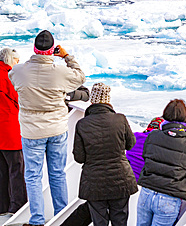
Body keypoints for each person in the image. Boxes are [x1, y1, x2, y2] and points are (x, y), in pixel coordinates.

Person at [8, 30, 86, 226]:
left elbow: (13, 76)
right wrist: (67, 56)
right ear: (53, 51)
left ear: (34, 49)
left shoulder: (18, 71)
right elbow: (80, 77)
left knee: (33, 176)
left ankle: (36, 220)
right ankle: (61, 216)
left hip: (31, 132)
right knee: (57, 173)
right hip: (56, 129)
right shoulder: (60, 73)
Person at [137, 99, 186, 226]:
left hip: (147, 193)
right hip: (168, 198)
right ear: (185, 118)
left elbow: (146, 155)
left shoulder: (153, 136)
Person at [73, 82, 138, 226]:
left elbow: (79, 157)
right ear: (108, 99)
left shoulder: (82, 124)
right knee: (120, 219)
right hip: (120, 179)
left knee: (99, 221)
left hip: (94, 182)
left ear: (92, 100)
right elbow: (131, 144)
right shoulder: (120, 119)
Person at [0, 48, 27, 216]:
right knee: (16, 170)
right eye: (17, 61)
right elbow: (20, 98)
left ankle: (2, 206)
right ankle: (19, 207)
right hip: (9, 130)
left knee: (2, 170)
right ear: (11, 60)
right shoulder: (10, 76)